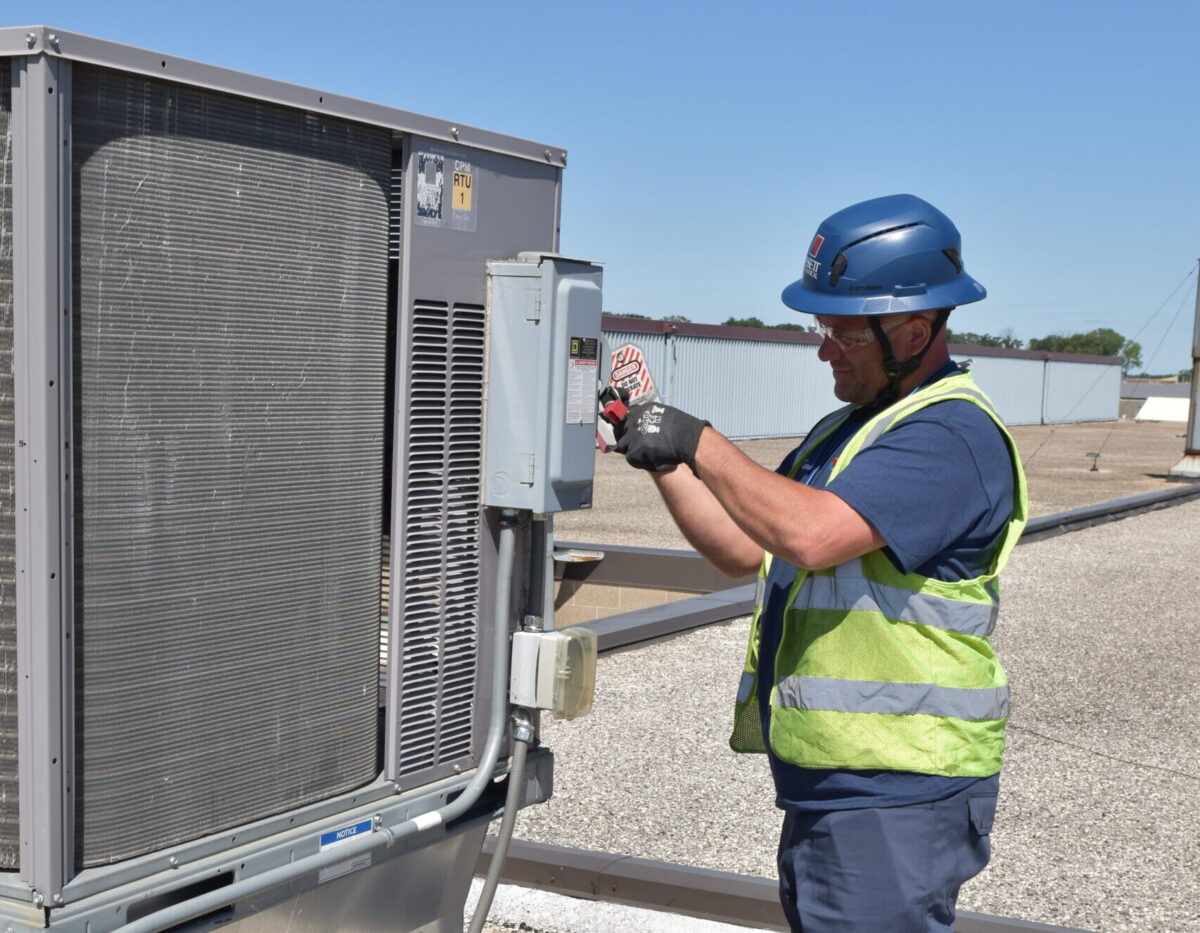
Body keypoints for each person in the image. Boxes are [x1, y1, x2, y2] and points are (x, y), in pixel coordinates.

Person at [614, 194, 1028, 933]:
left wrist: (695, 435)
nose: (824, 350)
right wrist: (659, 449)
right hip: (835, 783)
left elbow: (809, 535)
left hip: (899, 786)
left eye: (843, 333)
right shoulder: (847, 431)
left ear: (912, 327)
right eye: (822, 328)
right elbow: (745, 545)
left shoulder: (949, 436)